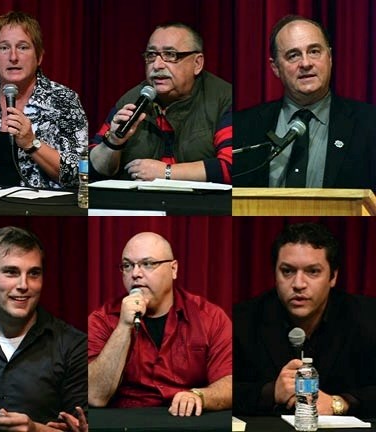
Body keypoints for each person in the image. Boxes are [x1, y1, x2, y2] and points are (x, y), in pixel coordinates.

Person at [0, 226, 87, 431]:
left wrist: (35, 429)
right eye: (11, 272)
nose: (23, 285)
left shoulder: (73, 345)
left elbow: (82, 427)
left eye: (34, 274)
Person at [233, 223, 376, 418]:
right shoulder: (242, 320)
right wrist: (270, 392)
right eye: (288, 271)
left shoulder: (367, 317)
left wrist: (340, 403)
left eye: (313, 271)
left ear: (333, 276)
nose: (298, 284)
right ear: (275, 274)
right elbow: (226, 387)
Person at [88, 232, 232, 416]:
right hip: (127, 423)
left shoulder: (210, 317)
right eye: (127, 266)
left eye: (148, 264)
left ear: (173, 269)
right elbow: (95, 396)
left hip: (185, 421)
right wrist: (124, 327)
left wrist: (199, 396)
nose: (135, 274)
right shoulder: (102, 319)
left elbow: (229, 382)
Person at [0, 11, 88, 189]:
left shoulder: (63, 100)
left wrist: (31, 143)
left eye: (23, 47)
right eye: (4, 47)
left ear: (39, 56)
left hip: (40, 210)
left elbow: (81, 174)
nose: (13, 57)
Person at [233, 15, 376, 190]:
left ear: (330, 58)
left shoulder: (369, 124)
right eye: (293, 55)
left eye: (314, 51)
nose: (306, 63)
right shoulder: (243, 126)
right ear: (275, 67)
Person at [90, 23, 232, 184]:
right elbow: (92, 169)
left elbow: (232, 167)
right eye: (151, 55)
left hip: (199, 205)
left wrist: (166, 172)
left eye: (170, 55)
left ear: (197, 63)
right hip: (137, 205)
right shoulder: (132, 99)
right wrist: (113, 142)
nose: (157, 65)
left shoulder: (224, 99)